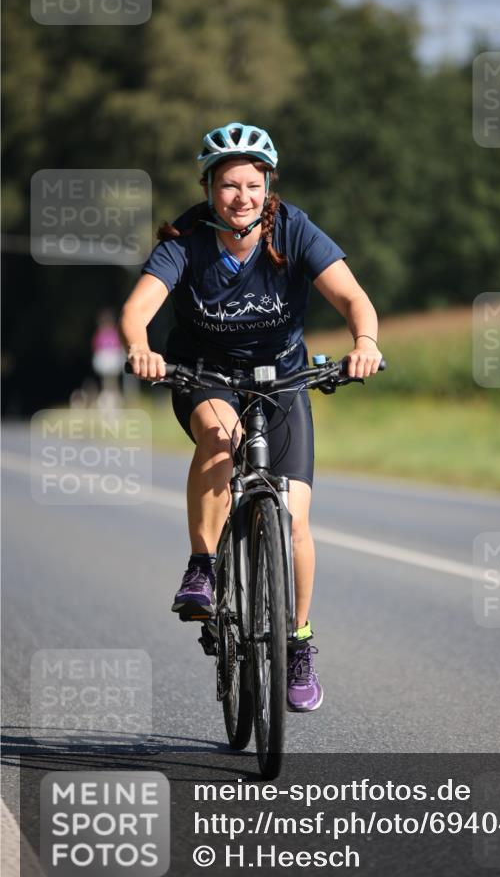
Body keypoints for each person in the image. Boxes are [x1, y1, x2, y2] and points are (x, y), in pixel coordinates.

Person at [119, 122, 382, 712]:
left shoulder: (294, 229)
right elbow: (138, 309)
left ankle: (298, 642)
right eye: (229, 184)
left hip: (282, 378)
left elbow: (352, 297)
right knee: (219, 437)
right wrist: (141, 345)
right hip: (204, 374)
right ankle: (202, 568)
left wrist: (364, 341)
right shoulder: (184, 241)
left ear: (269, 186)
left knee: (293, 521)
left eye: (253, 184)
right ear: (210, 188)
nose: (242, 196)